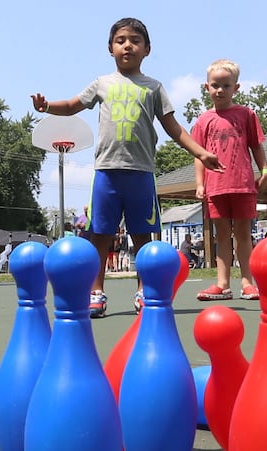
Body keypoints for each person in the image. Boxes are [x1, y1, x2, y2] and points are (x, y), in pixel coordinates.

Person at [31, 17, 223, 317]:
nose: (127, 46)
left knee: (143, 237)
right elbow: (71, 105)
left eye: (135, 41)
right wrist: (46, 107)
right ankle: (96, 292)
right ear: (110, 48)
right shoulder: (102, 83)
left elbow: (174, 128)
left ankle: (143, 291)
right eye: (121, 41)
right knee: (100, 237)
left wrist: (202, 154)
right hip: (107, 172)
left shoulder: (154, 88)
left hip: (141, 173)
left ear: (147, 49)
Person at [192, 59, 267, 301]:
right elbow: (198, 154)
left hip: (243, 184)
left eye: (226, 85)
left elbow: (256, 145)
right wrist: (200, 183)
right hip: (216, 187)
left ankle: (248, 282)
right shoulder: (203, 120)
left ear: (236, 87)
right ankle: (223, 284)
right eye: (215, 85)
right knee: (222, 235)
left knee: (244, 235)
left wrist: (264, 170)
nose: (220, 90)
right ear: (207, 87)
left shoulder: (247, 114)